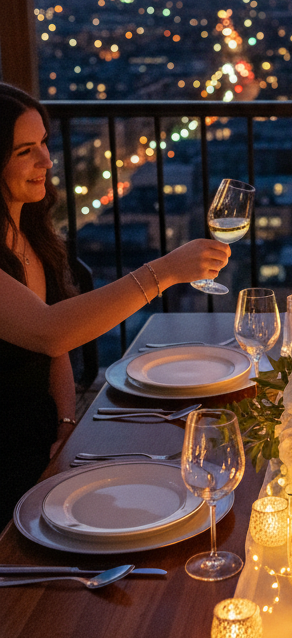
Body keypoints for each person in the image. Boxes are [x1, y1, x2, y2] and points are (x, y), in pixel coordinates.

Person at [0, 82, 230, 527]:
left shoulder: (30, 234)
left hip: (40, 441)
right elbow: (51, 330)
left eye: (44, 143)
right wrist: (164, 271)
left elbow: (56, 350)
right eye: (25, 151)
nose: (46, 161)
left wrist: (66, 428)